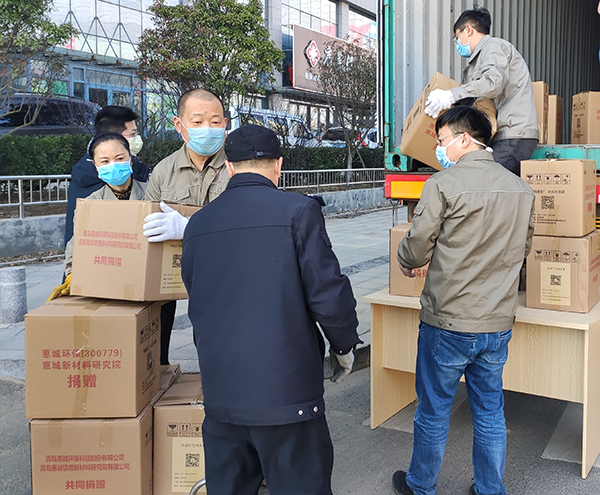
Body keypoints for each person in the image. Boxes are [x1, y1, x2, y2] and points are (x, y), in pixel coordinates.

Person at [181, 124, 361, 495]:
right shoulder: (299, 211)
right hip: (286, 397)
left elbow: (196, 296)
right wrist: (343, 346)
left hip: (222, 395)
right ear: (278, 165)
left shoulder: (198, 223)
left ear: (229, 167)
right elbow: (328, 294)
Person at [391, 106, 535, 495]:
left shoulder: (443, 184)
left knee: (433, 411)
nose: (440, 149)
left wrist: (406, 260)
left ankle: (421, 486)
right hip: (496, 324)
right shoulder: (522, 189)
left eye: (442, 141)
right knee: (489, 412)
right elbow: (523, 249)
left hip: (447, 322)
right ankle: (490, 489)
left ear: (465, 139)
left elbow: (416, 248)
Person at [142, 88, 230, 366]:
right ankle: (159, 372)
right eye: (198, 121)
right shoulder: (163, 171)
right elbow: (146, 221)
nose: (208, 129)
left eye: (215, 122)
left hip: (225, 268)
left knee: (217, 342)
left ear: (225, 124)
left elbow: (251, 220)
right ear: (179, 125)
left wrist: (191, 227)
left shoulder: (238, 166)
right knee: (157, 324)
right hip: (173, 268)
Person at [424, 7, 538, 176]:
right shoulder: (481, 57)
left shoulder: (494, 47)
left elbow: (493, 83)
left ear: (468, 30)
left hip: (513, 134)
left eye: (457, 37)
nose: (458, 43)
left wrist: (451, 95)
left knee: (482, 180)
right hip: (503, 135)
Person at [48, 132, 146, 301]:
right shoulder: (90, 204)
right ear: (95, 166)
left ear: (130, 159)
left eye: (119, 158)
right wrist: (71, 273)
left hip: (147, 281)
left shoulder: (153, 193)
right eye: (105, 161)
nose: (113, 165)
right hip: (110, 285)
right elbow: (78, 240)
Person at [64, 106, 149, 248]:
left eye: (120, 158)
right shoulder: (95, 183)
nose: (136, 139)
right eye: (132, 134)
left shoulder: (84, 172)